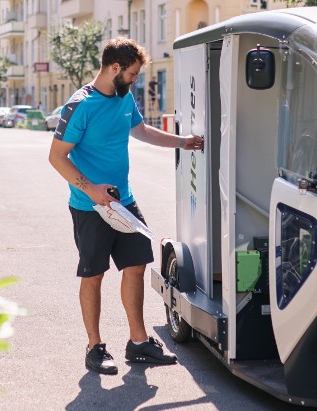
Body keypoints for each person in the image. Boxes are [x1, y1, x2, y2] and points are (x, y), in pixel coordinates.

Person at [48, 37, 205, 376]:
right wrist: (91, 189)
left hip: (125, 202)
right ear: (115, 68)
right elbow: (56, 156)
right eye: (132, 74)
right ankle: (94, 347)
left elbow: (142, 131)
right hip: (90, 207)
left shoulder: (124, 97)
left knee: (136, 264)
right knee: (93, 274)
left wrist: (183, 142)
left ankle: (137, 342)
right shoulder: (80, 105)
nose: (136, 80)